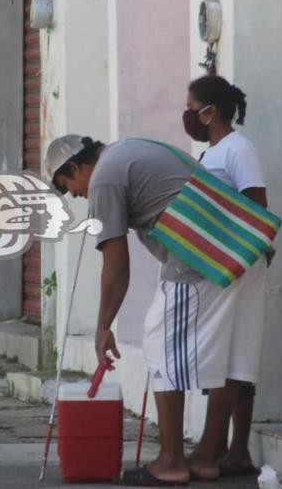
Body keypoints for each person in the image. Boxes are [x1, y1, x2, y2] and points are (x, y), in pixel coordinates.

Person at [46, 133, 247, 486]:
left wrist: (103, 326)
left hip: (198, 256)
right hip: (239, 245)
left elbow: (117, 264)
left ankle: (171, 461)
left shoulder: (104, 178)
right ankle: (206, 458)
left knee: (159, 346)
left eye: (70, 185)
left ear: (77, 166)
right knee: (223, 354)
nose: (76, 195)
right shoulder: (129, 148)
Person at [182, 74, 268, 480]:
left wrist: (239, 256)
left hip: (240, 267)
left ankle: (233, 450)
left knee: (238, 358)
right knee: (222, 357)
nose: (188, 115)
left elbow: (258, 209)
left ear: (210, 111)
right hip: (216, 269)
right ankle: (222, 449)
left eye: (192, 106)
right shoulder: (209, 154)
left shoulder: (238, 150)